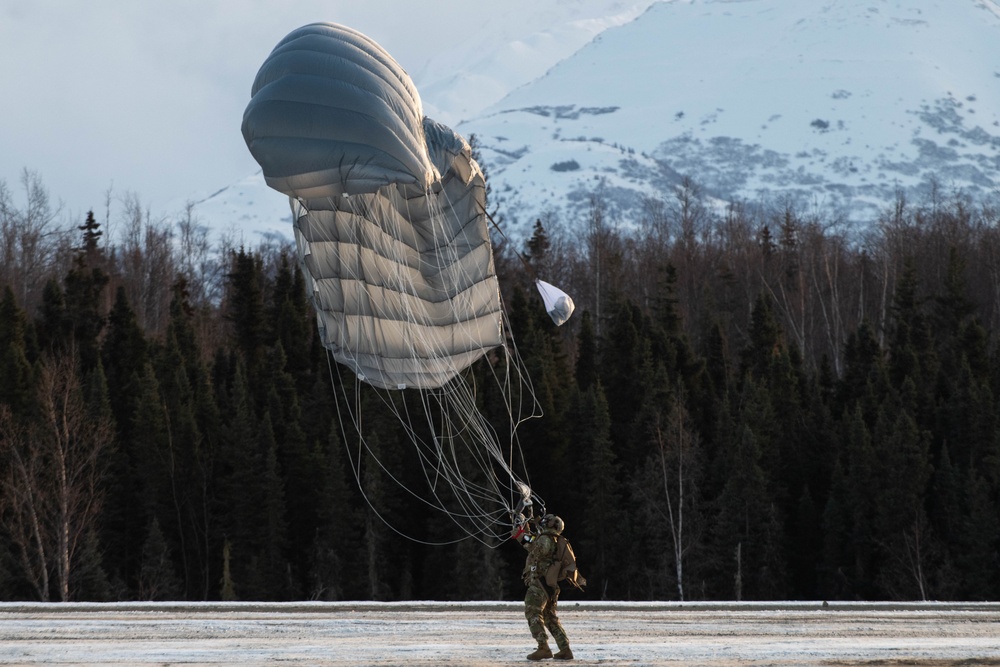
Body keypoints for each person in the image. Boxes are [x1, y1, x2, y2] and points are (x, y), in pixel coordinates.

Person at [513, 513, 574, 660]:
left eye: (546, 521)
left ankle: (543, 647)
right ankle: (565, 649)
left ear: (551, 525)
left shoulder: (546, 539)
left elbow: (534, 549)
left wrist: (521, 536)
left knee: (532, 612)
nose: (542, 522)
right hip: (549, 586)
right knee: (549, 617)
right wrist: (524, 531)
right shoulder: (551, 539)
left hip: (540, 584)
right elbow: (534, 542)